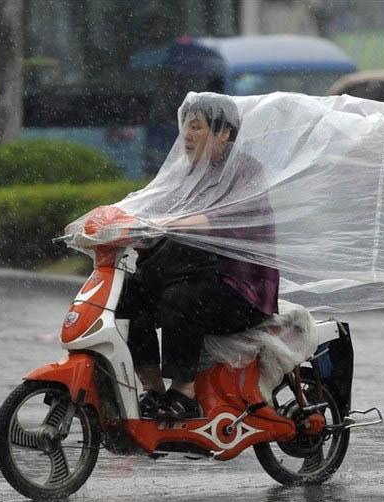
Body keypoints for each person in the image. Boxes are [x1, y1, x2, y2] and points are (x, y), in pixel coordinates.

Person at [117, 93, 280, 420]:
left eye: (197, 127)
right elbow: (149, 207)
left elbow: (219, 220)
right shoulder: (186, 174)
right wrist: (113, 224)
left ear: (224, 134)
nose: (187, 136)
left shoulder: (245, 172)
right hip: (193, 275)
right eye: (185, 127)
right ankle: (153, 392)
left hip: (241, 290)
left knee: (181, 298)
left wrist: (162, 224)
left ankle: (184, 393)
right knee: (130, 295)